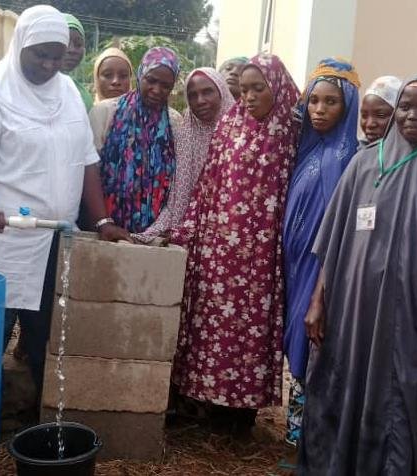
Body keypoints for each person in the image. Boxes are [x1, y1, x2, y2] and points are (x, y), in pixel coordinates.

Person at [0, 5, 123, 395]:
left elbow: (86, 160)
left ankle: (37, 413)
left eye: (57, 55)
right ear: (21, 43)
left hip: (51, 236)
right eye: (41, 54)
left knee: (43, 332)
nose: (51, 64)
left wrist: (101, 221)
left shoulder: (67, 91)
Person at [297, 76, 417, 474]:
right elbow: (331, 241)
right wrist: (318, 301)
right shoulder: (365, 161)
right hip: (350, 308)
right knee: (339, 387)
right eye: (405, 105)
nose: (412, 115)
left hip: (406, 312)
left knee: (394, 394)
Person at [171, 53, 301, 435]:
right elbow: (209, 181)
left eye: (258, 88)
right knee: (213, 328)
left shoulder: (291, 132)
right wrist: (191, 229)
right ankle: (209, 410)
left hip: (261, 256)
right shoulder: (230, 123)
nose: (248, 97)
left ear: (276, 88)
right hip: (219, 249)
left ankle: (241, 418)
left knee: (251, 332)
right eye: (243, 90)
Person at [280, 57, 361, 449]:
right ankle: (296, 437)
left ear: (347, 105)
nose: (319, 110)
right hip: (296, 268)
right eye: (314, 101)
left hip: (320, 269)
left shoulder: (349, 158)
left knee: (312, 346)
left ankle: (309, 442)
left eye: (330, 102)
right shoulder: (308, 149)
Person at [133, 67, 235, 243]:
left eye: (207, 92)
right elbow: (177, 199)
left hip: (230, 231)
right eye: (193, 95)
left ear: (222, 92)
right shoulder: (186, 133)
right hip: (191, 233)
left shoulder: (241, 133)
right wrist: (153, 234)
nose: (200, 100)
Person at [88, 47, 181, 234]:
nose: (157, 90)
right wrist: (102, 221)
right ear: (140, 75)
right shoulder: (106, 112)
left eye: (165, 85)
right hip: (104, 227)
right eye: (151, 80)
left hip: (153, 234)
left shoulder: (174, 122)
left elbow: (176, 181)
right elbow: (90, 170)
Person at [62, 14, 93, 111]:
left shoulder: (83, 96)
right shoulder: (32, 90)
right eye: (65, 42)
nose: (71, 50)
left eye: (78, 44)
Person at [360, 75, 402, 145]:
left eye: (381, 115)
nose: (369, 124)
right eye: (364, 116)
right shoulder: (358, 153)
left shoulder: (415, 154)